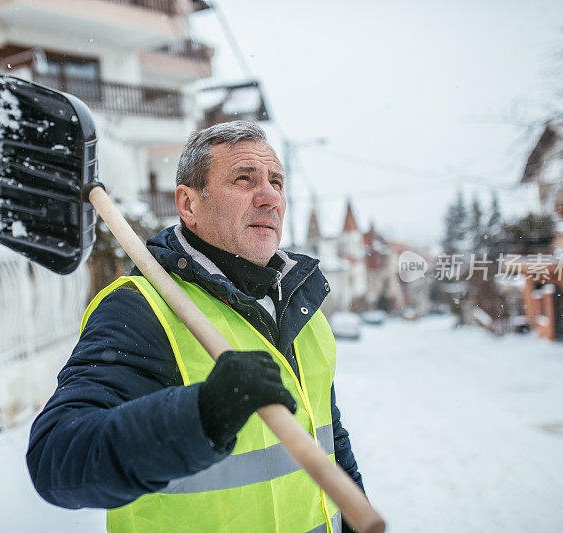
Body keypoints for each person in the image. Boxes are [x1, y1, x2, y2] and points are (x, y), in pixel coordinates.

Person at [26, 121, 364, 532]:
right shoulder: (142, 310)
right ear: (188, 205)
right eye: (245, 179)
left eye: (277, 181)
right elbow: (58, 458)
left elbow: (330, 440)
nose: (270, 196)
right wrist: (200, 416)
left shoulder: (301, 305)